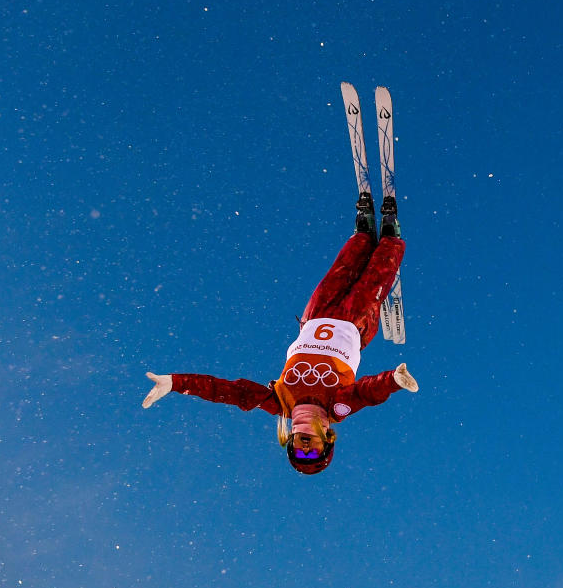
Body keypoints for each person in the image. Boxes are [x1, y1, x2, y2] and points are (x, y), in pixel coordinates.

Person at [141, 203, 418, 475]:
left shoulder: (280, 402)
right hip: (353, 324)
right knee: (373, 281)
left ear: (290, 443)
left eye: (299, 451)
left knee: (340, 271)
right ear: (327, 442)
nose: (305, 447)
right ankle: (390, 239)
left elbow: (229, 391)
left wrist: (176, 382)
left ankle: (362, 236)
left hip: (315, 317)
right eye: (312, 452)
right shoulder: (336, 407)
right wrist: (393, 380)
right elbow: (366, 392)